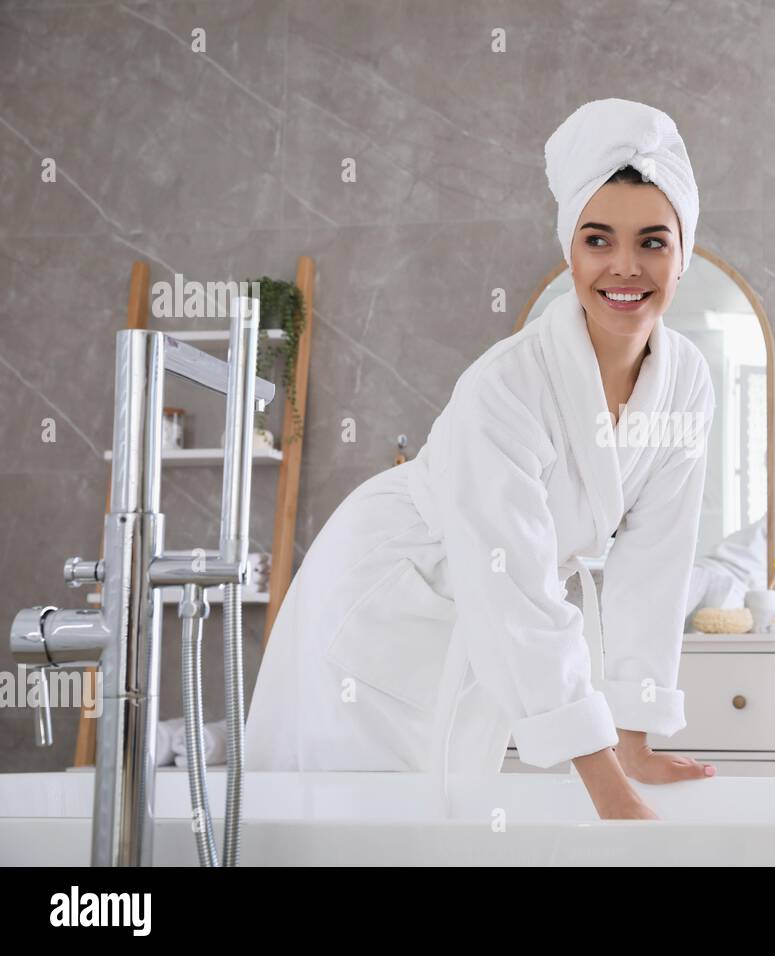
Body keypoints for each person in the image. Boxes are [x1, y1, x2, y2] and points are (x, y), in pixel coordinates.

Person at [246, 98, 716, 821]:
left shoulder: (687, 381)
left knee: (442, 818)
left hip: (485, 610)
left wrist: (632, 736)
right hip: (392, 584)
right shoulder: (506, 388)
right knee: (357, 824)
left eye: (653, 241)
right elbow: (512, 591)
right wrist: (613, 800)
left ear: (684, 254)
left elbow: (655, 563)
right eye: (599, 240)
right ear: (570, 254)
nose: (626, 266)